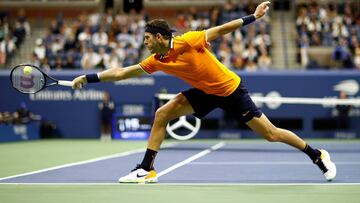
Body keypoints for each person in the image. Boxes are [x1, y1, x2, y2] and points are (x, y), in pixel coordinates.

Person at [72, 1, 336, 183]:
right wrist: (88, 77)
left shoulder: (187, 41)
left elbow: (220, 30)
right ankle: (146, 169)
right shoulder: (157, 61)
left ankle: (317, 155)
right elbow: (121, 73)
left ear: (161, 37)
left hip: (231, 90)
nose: (145, 43)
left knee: (271, 134)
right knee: (163, 113)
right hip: (204, 92)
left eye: (148, 39)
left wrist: (253, 17)